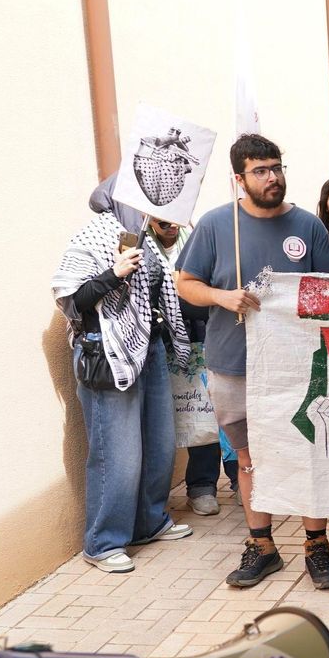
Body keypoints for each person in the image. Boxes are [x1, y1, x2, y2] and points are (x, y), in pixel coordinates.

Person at [176, 134, 329, 589]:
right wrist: (221, 296)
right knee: (249, 458)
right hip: (233, 364)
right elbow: (185, 283)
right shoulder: (216, 225)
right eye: (261, 170)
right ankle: (262, 546)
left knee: (310, 452)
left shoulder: (307, 225)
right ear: (239, 178)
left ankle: (317, 546)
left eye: (277, 168)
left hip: (300, 366)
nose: (273, 177)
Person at [54, 189, 196, 574]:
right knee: (118, 454)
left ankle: (148, 522)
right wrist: (112, 274)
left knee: (159, 444)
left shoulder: (144, 238)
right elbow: (70, 299)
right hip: (107, 355)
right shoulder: (93, 235)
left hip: (147, 350)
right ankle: (103, 542)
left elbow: (154, 294)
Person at [89, 176, 222, 517]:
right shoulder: (131, 243)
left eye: (176, 219)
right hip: (152, 345)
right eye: (164, 222)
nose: (172, 226)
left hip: (196, 338)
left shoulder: (195, 238)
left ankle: (203, 484)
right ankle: (150, 507)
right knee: (163, 424)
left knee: (202, 410)